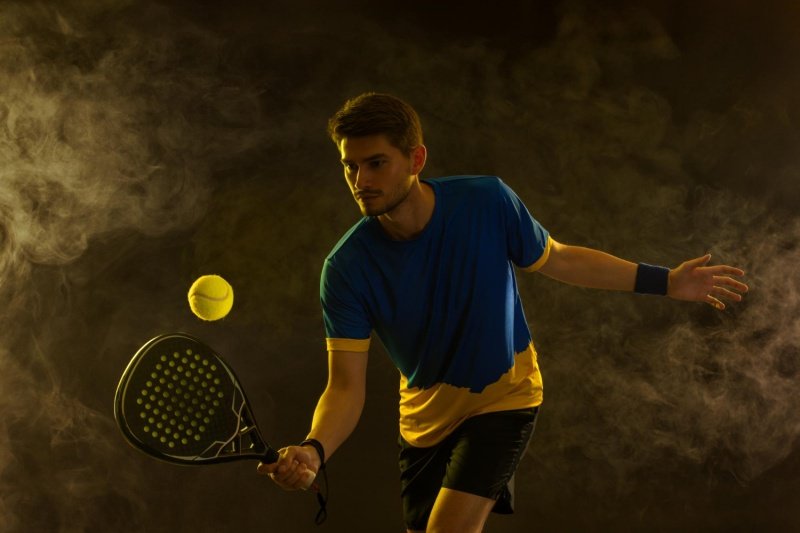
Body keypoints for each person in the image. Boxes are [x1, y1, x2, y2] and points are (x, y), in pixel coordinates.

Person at [256, 93, 749, 532]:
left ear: (416, 158)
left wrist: (665, 280)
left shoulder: (487, 201)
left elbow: (559, 258)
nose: (360, 180)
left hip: (505, 398)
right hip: (423, 426)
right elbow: (345, 386)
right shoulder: (345, 269)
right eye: (350, 166)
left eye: (375, 163)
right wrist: (314, 449)